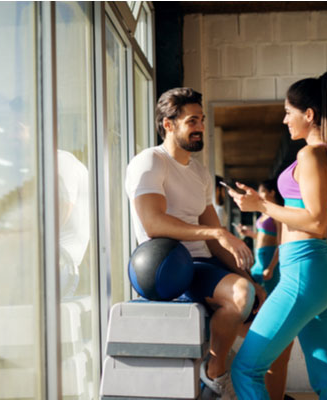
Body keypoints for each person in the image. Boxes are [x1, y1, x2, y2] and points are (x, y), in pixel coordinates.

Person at [125, 87, 264, 399]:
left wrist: (250, 279)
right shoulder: (150, 162)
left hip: (206, 263)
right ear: (168, 125)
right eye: (192, 121)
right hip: (175, 266)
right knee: (240, 296)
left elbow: (216, 241)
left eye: (201, 120)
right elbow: (153, 223)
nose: (200, 127)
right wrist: (216, 234)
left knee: (265, 309)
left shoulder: (200, 173)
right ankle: (214, 377)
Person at [227, 71, 327, 399]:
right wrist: (318, 271)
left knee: (245, 369)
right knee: (326, 381)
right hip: (325, 273)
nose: (285, 120)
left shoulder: (310, 155)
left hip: (304, 272)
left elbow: (315, 222)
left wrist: (262, 206)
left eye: (288, 112)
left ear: (308, 115)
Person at [235, 180, 294, 400]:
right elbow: (261, 238)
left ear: (270, 192)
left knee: (269, 308)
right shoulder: (262, 214)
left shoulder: (277, 213)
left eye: (261, 192)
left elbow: (280, 242)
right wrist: (248, 233)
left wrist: (271, 266)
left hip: (269, 262)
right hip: (259, 263)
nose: (259, 195)